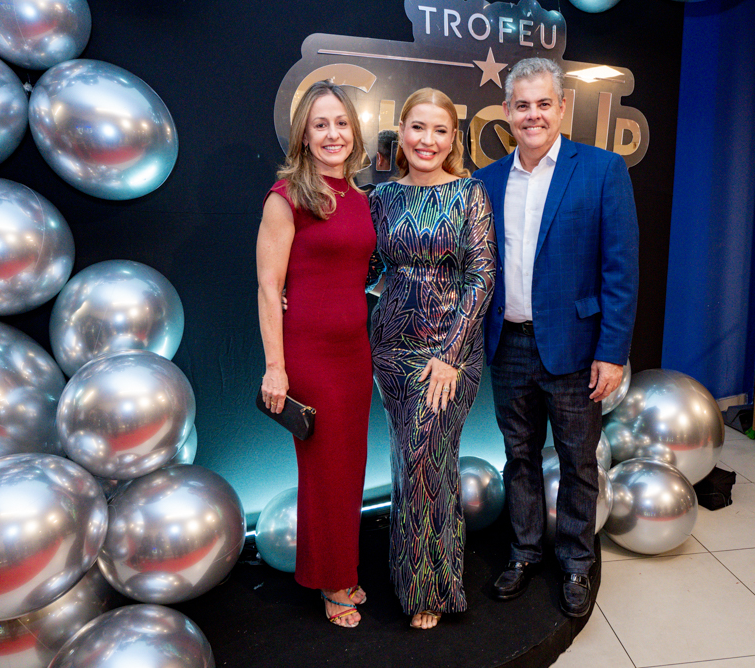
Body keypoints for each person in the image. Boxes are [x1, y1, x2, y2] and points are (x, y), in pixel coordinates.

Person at [474, 58, 639, 618]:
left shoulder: (602, 171)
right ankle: (522, 553)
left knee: (577, 461)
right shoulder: (486, 181)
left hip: (575, 347)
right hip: (509, 346)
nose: (533, 114)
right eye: (522, 105)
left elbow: (621, 270)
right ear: (507, 112)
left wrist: (611, 353)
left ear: (562, 107)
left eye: (544, 103)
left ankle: (575, 562)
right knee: (517, 458)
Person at [368, 88, 496, 630]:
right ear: (401, 130)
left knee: (427, 458)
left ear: (454, 139)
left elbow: (482, 275)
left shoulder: (470, 193)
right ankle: (410, 575)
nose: (428, 140)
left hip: (450, 353)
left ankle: (433, 588)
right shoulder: (379, 197)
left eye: (440, 131)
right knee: (409, 459)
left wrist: (448, 354)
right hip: (391, 350)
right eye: (418, 128)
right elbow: (363, 268)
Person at [257, 80, 374, 628]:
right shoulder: (287, 198)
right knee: (326, 470)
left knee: (350, 468)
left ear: (355, 131)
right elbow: (266, 287)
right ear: (304, 133)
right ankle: (331, 582)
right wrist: (276, 366)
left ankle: (342, 565)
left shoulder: (359, 197)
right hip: (310, 352)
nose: (333, 134)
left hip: (356, 353)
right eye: (320, 124)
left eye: (341, 123)